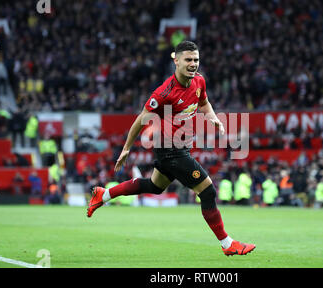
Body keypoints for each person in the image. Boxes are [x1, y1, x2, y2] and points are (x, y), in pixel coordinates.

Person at [87, 41, 255, 256]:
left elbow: (203, 103)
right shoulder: (164, 93)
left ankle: (104, 195)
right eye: (188, 60)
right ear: (176, 60)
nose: (193, 64)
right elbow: (140, 120)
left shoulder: (199, 81)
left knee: (155, 187)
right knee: (208, 191)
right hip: (170, 149)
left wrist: (214, 119)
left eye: (196, 59)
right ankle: (227, 243)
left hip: (180, 147)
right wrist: (127, 148)